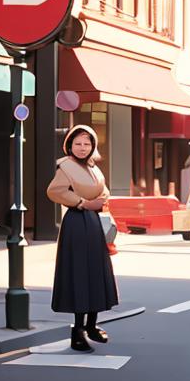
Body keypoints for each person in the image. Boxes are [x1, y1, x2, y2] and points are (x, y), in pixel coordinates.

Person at [46, 124, 119, 352]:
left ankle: (91, 325)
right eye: (77, 143)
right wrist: (84, 202)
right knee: (80, 274)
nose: (82, 147)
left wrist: (98, 201)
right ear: (69, 145)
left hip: (93, 223)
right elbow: (55, 191)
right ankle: (77, 330)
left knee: (95, 272)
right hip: (77, 224)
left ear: (93, 146)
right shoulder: (65, 167)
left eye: (87, 143)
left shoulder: (93, 167)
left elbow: (104, 190)